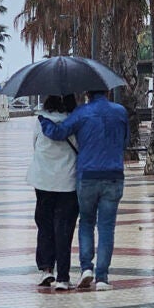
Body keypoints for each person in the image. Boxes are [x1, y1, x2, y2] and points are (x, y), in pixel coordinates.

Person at [38, 89, 128, 291]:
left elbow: (59, 133)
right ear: (108, 91)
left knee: (86, 222)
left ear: (87, 93)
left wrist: (44, 121)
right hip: (114, 176)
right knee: (106, 228)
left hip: (87, 176)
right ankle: (102, 278)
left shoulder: (81, 113)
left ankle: (87, 268)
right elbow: (125, 141)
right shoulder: (120, 112)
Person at [26, 94, 79, 290]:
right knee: (64, 228)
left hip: (43, 180)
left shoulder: (41, 122)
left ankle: (46, 269)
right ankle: (63, 277)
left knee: (45, 225)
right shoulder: (75, 122)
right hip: (68, 181)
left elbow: (35, 146)